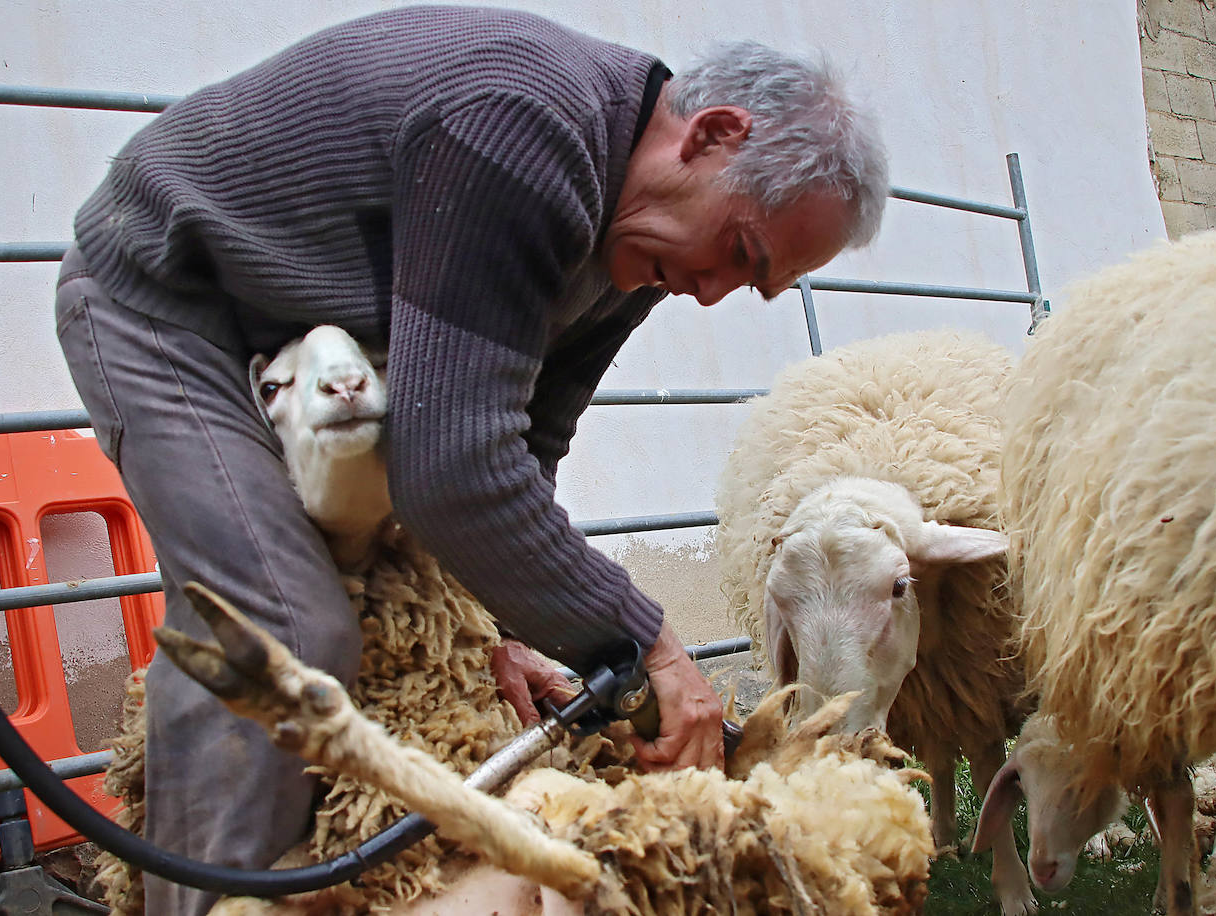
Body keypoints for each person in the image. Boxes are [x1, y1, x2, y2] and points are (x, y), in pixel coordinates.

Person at [54, 6, 888, 914]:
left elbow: (522, 441)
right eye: (739, 251)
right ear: (713, 135)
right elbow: (449, 467)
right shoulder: (523, 128)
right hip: (171, 300)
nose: (714, 291)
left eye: (752, 285)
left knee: (384, 643)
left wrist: (509, 625)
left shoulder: (638, 243)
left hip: (306, 334)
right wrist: (652, 642)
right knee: (284, 627)